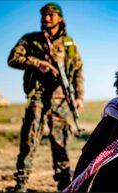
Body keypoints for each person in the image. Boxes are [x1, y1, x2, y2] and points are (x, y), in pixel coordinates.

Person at [7, 2, 84, 192]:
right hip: (38, 97)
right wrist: (36, 63)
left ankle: (64, 183)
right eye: (44, 15)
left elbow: (78, 70)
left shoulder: (69, 44)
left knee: (61, 142)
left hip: (60, 99)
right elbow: (13, 59)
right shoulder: (31, 40)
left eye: (51, 15)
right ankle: (22, 182)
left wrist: (79, 96)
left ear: (60, 18)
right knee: (30, 139)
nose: (46, 18)